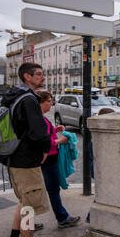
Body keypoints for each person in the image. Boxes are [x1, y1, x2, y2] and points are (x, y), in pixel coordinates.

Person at [0, 63, 51, 237]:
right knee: (29, 208)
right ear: (27, 76)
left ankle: (14, 236)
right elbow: (38, 132)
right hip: (26, 161)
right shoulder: (29, 99)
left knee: (25, 202)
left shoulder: (13, 96)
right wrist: (46, 149)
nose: (43, 77)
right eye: (39, 74)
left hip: (13, 158)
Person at [37, 90, 81, 228]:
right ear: (41, 103)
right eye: (49, 101)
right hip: (48, 160)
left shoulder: (41, 118)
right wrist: (60, 140)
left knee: (50, 189)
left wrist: (55, 130)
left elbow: (45, 136)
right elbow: (44, 142)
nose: (52, 104)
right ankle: (62, 218)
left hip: (48, 159)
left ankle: (28, 222)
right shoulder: (39, 119)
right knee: (53, 190)